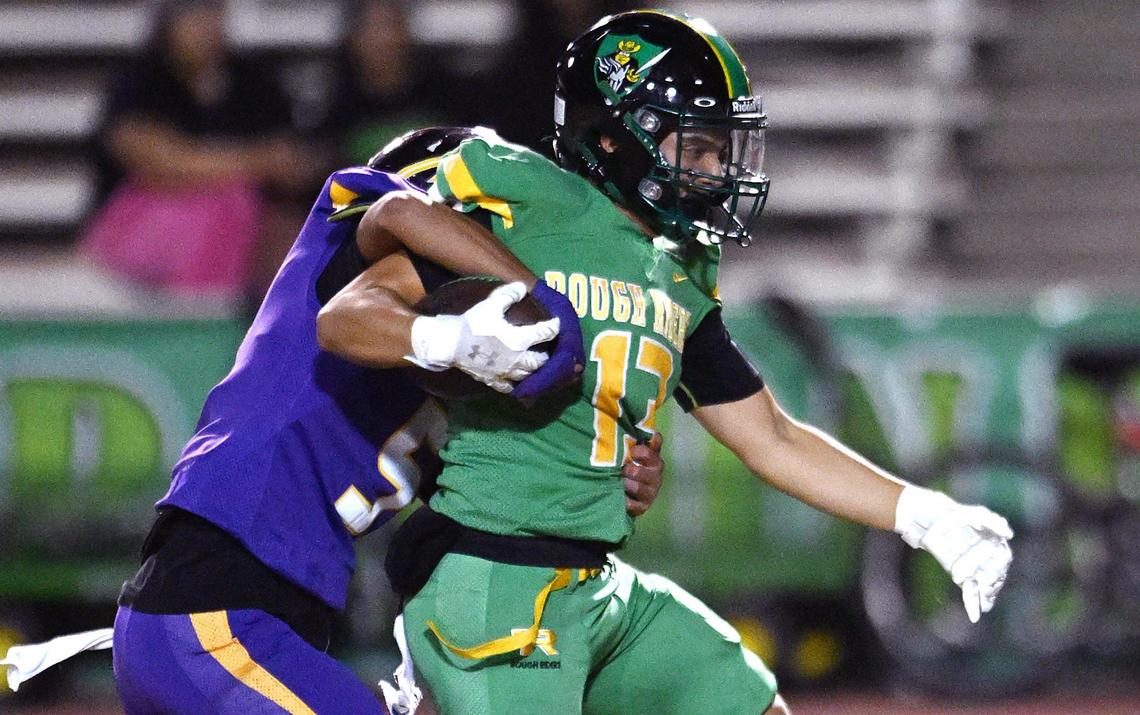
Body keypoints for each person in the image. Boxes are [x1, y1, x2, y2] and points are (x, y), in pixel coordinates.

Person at [320, 11, 1015, 714]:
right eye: (702, 147)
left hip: (596, 583)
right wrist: (447, 340)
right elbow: (345, 316)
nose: (718, 169)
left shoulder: (677, 270)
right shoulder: (524, 204)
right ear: (617, 137)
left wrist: (925, 516)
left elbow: (770, 436)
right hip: (496, 582)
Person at [103, 126, 666, 714]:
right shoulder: (365, 251)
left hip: (270, 619)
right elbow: (400, 211)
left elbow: (501, 507)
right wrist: (533, 293)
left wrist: (615, 474)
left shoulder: (466, 365)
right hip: (213, 603)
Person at [81, 0, 319, 302]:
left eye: (211, 14)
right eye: (193, 16)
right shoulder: (140, 82)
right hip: (147, 225)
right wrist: (253, 161)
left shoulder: (254, 81)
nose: (204, 27)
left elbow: (290, 162)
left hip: (252, 229)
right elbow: (155, 160)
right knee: (224, 205)